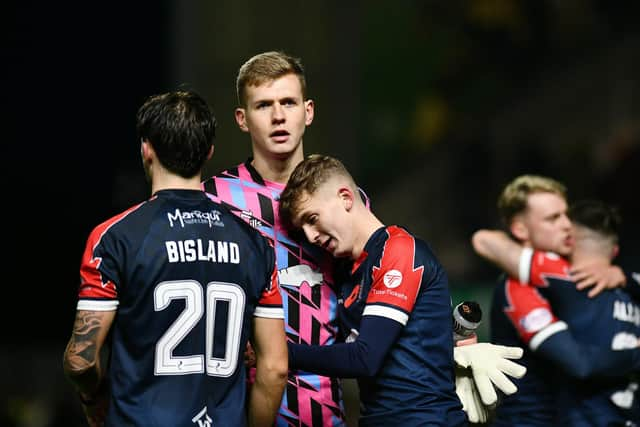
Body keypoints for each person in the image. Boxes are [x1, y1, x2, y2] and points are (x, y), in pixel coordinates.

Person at [202, 51, 526, 426]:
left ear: (308, 111)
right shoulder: (216, 198)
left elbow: (387, 303)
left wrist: (453, 344)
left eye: (288, 102)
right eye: (263, 105)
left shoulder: (354, 209)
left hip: (327, 403)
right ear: (242, 119)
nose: (278, 116)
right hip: (245, 399)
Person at [62, 90, 288, 427]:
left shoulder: (114, 238)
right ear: (208, 152)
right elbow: (275, 368)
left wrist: (94, 399)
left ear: (147, 148)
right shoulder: (254, 242)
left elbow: (81, 361)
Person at [278, 154, 527, 426]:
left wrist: (278, 353)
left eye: (312, 218)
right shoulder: (346, 271)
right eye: (302, 229)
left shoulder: (399, 250)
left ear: (346, 198)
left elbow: (365, 357)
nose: (311, 235)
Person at [472, 175, 640, 425]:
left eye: (566, 215)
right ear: (520, 229)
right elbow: (580, 364)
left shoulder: (574, 274)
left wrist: (624, 276)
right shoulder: (518, 285)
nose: (567, 225)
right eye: (553, 218)